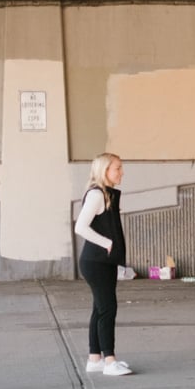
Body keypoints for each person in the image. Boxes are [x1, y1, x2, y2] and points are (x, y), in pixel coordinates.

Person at [73, 153, 133, 376]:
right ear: (104, 170)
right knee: (108, 308)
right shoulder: (97, 195)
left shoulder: (106, 195)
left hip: (102, 262)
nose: (121, 172)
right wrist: (106, 242)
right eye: (117, 168)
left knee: (100, 309)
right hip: (95, 262)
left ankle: (95, 359)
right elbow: (80, 227)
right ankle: (109, 361)